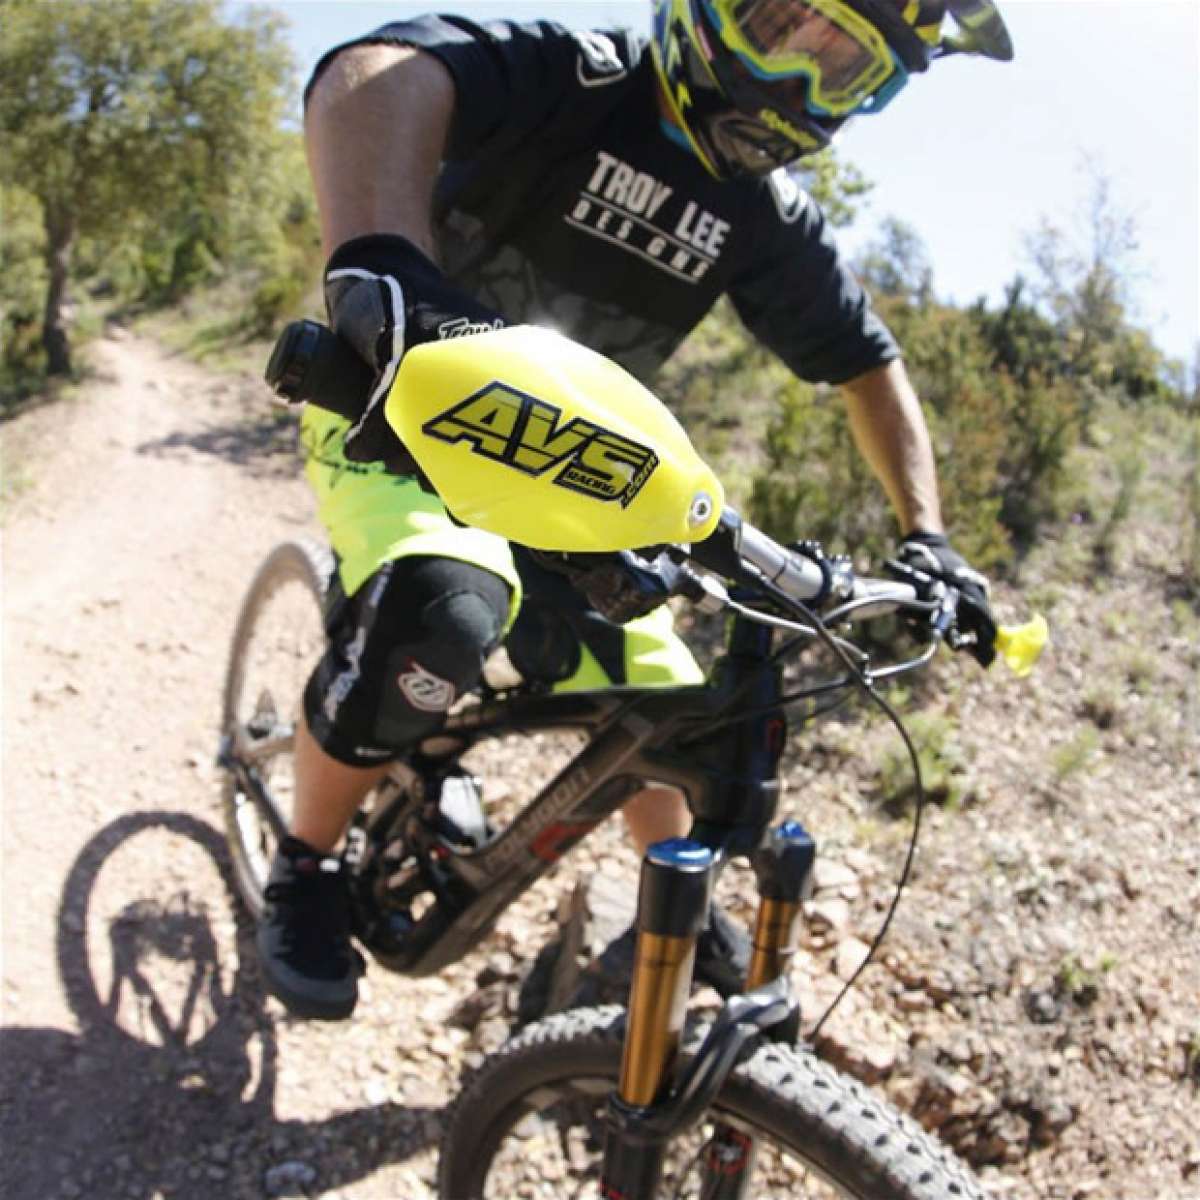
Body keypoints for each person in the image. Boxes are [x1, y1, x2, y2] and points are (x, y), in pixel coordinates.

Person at [257, 0, 1012, 1020]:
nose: (796, 82)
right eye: (784, 24)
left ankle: (679, 909)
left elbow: (868, 365)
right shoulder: (589, 77)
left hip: (577, 478)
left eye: (844, 68)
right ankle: (304, 862)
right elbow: (376, 72)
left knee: (669, 695)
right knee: (442, 606)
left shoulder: (763, 212)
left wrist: (931, 539)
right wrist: (383, 261)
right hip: (398, 421)